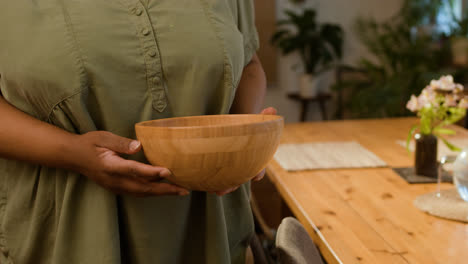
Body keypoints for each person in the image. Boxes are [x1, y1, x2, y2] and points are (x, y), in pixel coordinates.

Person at [0, 1, 276, 263]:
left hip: (210, 232)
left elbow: (249, 65)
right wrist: (71, 152)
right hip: (64, 234)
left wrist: (243, 139)